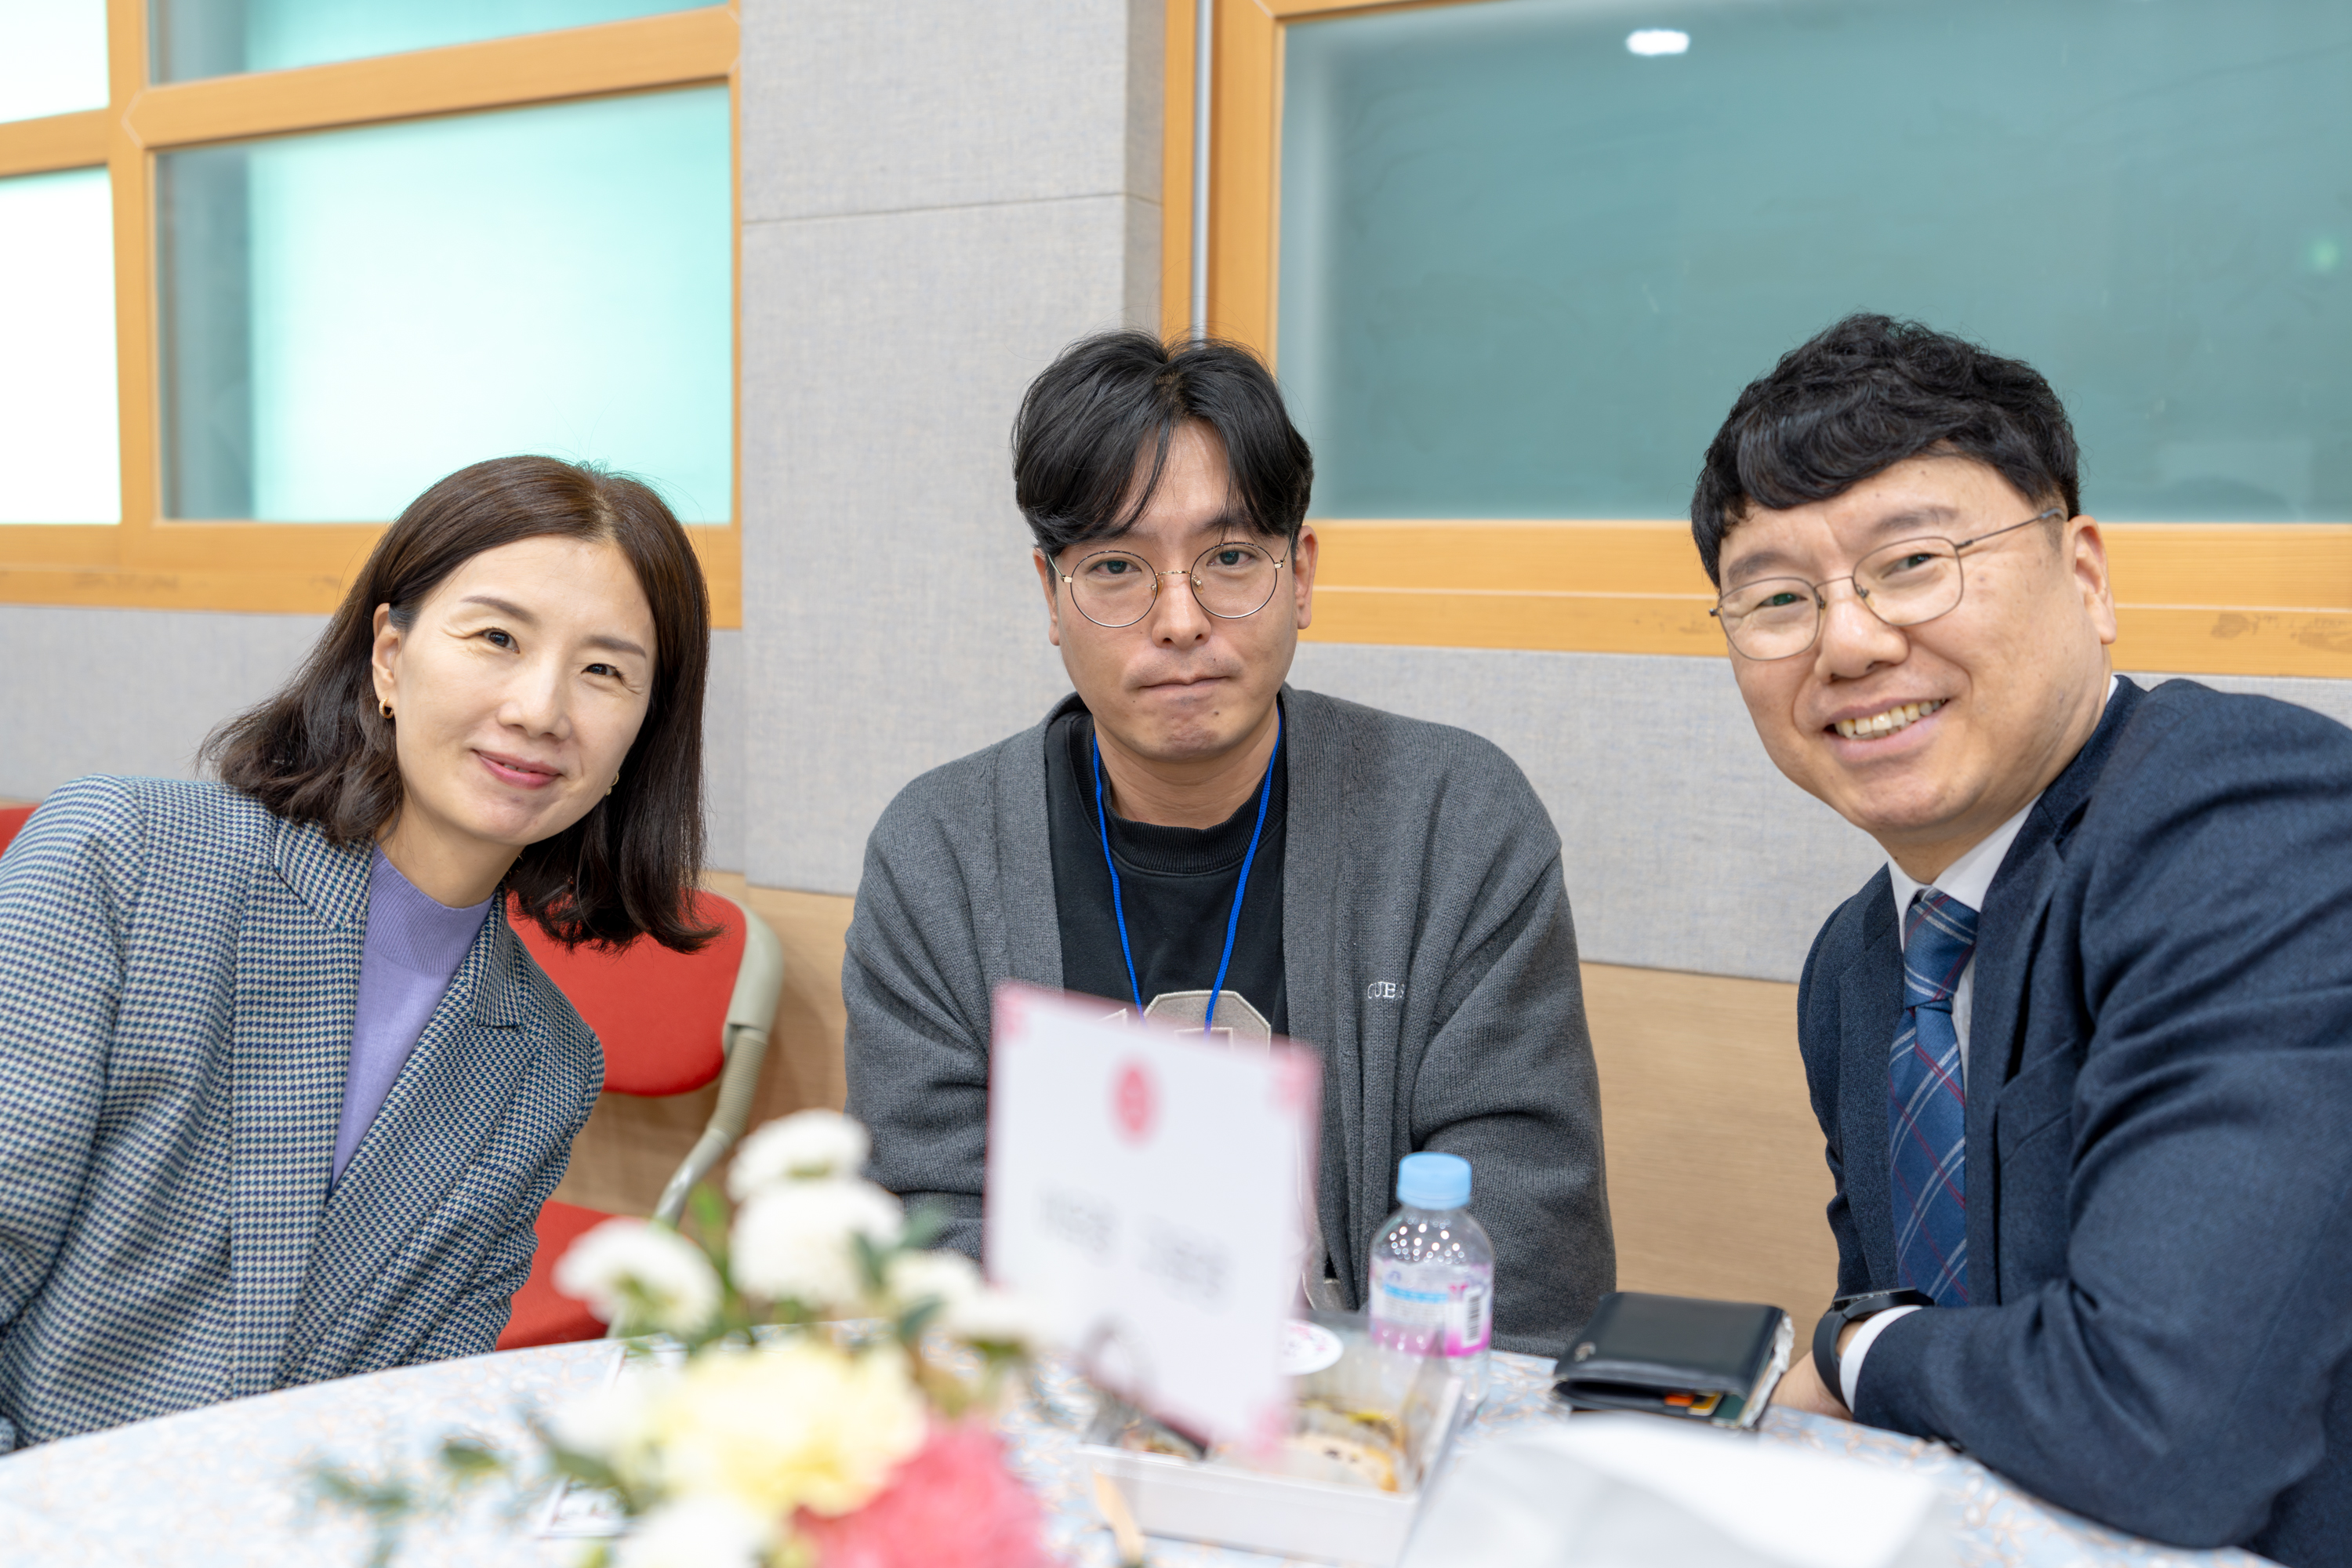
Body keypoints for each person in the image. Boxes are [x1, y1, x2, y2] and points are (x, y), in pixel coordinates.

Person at [1697, 315, 2351, 1563]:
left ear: (2086, 578)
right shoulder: (1856, 967)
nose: (1848, 642)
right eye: (1779, 599)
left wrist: (1856, 1346)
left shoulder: (2258, 829)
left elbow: (2162, 1433)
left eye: (1913, 562)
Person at [844, 331, 1613, 1354]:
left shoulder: (1455, 823)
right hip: (1065, 1418)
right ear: (1051, 596)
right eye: (1115, 567)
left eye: (1231, 558)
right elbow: (924, 1242)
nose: (1179, 619)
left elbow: (1526, 1243)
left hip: (1371, 1423)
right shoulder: (939, 858)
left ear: (1302, 575)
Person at [0, 455, 713, 1449]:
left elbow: (414, 1412)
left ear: (640, 731)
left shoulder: (547, 1064)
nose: (540, 709)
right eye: (497, 637)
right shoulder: (123, 857)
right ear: (389, 656)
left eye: (605, 671)